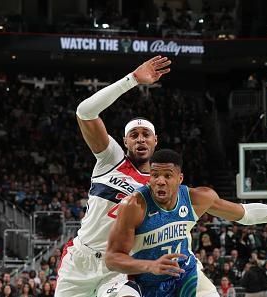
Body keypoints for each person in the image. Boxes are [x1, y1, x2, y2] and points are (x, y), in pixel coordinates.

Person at [55, 56, 171, 297]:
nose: (141, 138)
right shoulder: (112, 158)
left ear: (155, 141)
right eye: (135, 134)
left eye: (146, 134)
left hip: (116, 265)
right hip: (80, 261)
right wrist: (132, 80)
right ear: (125, 140)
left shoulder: (161, 186)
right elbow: (84, 112)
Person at [105, 149, 267, 297]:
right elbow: (112, 258)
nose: (160, 181)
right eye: (154, 175)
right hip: (144, 280)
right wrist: (149, 265)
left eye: (167, 175)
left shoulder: (197, 198)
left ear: (180, 178)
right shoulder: (134, 205)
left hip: (185, 274)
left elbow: (244, 213)